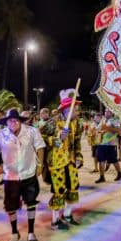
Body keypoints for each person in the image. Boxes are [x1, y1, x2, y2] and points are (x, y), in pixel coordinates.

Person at [0, 109, 46, 241]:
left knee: (31, 202)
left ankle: (31, 232)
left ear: (20, 121)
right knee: (11, 206)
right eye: (10, 120)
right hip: (10, 176)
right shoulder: (0, 135)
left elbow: (40, 146)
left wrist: (40, 164)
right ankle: (14, 233)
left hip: (29, 174)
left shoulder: (31, 131)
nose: (14, 122)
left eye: (16, 120)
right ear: (6, 122)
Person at [45, 89, 83, 230]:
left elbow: (77, 142)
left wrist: (79, 156)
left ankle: (67, 215)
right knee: (59, 190)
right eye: (75, 109)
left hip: (71, 160)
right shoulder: (53, 122)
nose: (77, 112)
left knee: (73, 187)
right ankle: (55, 221)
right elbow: (39, 137)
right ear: (67, 110)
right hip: (56, 162)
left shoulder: (76, 124)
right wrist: (55, 139)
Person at [95, 109, 121, 183]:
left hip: (111, 144)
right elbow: (99, 129)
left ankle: (119, 173)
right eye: (105, 111)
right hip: (101, 143)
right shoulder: (103, 120)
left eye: (108, 111)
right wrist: (100, 131)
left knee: (113, 160)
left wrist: (107, 128)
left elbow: (119, 130)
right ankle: (102, 177)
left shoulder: (115, 120)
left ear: (112, 113)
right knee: (101, 160)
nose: (106, 113)